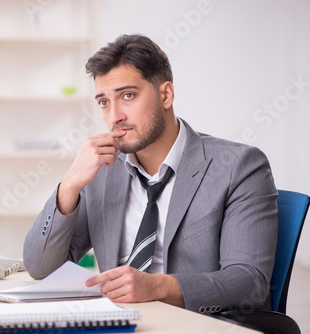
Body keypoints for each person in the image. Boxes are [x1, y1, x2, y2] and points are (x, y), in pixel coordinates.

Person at [23, 34, 278, 314]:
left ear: (165, 94)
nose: (114, 116)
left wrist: (159, 287)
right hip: (119, 322)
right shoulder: (102, 170)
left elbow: (249, 282)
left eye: (127, 96)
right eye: (104, 102)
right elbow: (40, 267)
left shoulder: (238, 166)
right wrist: (69, 184)